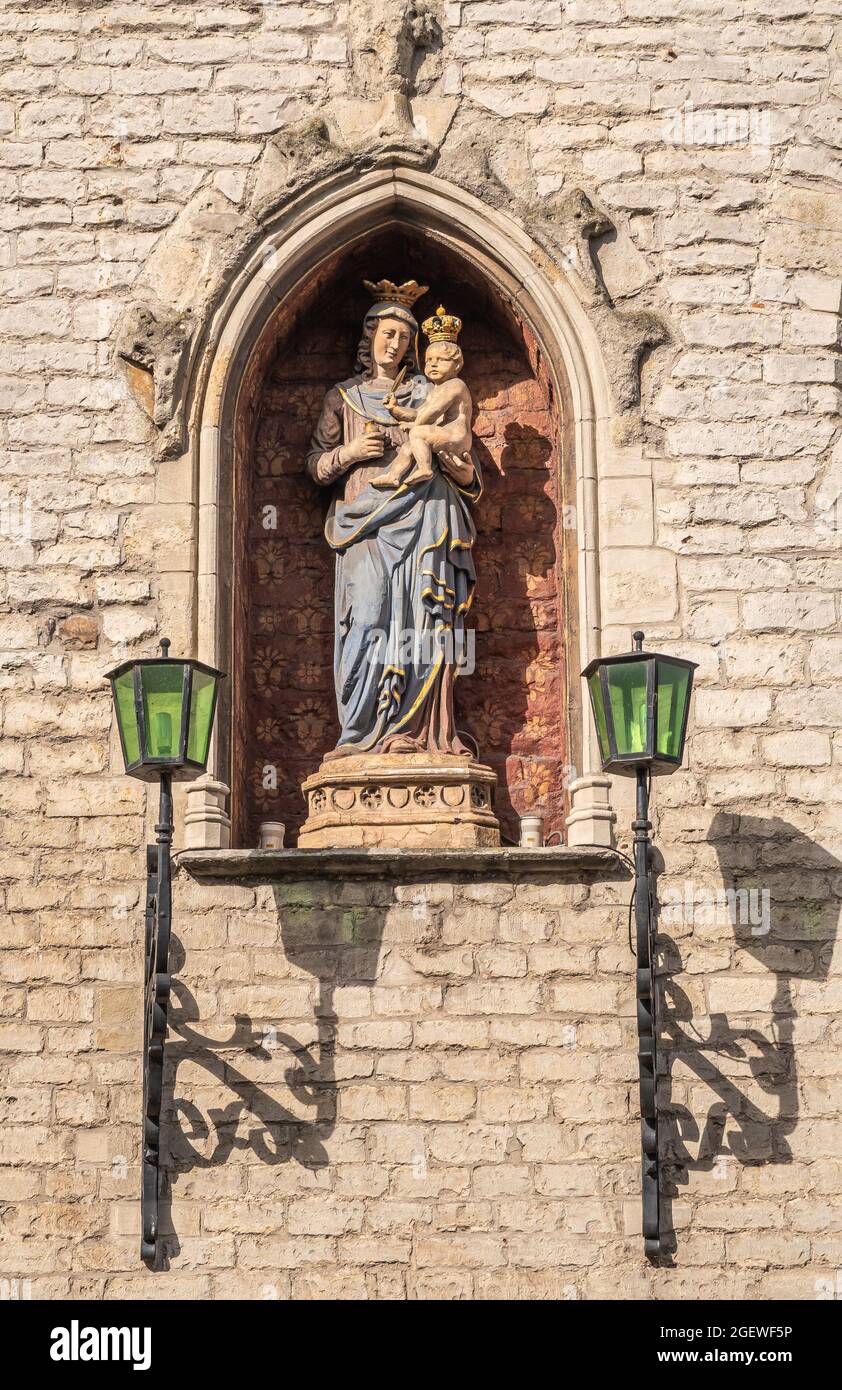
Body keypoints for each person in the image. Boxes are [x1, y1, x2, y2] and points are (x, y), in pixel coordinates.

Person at [305, 279, 482, 758]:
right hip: (363, 522)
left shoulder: (433, 392)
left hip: (426, 515)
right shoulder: (342, 397)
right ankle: (359, 735)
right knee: (365, 618)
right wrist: (350, 452)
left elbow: (469, 472)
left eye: (404, 338)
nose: (395, 344)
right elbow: (316, 466)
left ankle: (421, 736)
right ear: (369, 338)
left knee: (424, 620)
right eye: (387, 334)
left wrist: (447, 459)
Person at [371, 327, 473, 490]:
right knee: (407, 448)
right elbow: (419, 412)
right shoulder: (435, 389)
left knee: (417, 434)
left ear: (457, 365)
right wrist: (395, 409)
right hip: (441, 435)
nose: (433, 364)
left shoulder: (455, 385)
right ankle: (393, 476)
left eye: (441, 360)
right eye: (429, 360)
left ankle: (424, 468)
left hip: (456, 437)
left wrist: (414, 426)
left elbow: (432, 414)